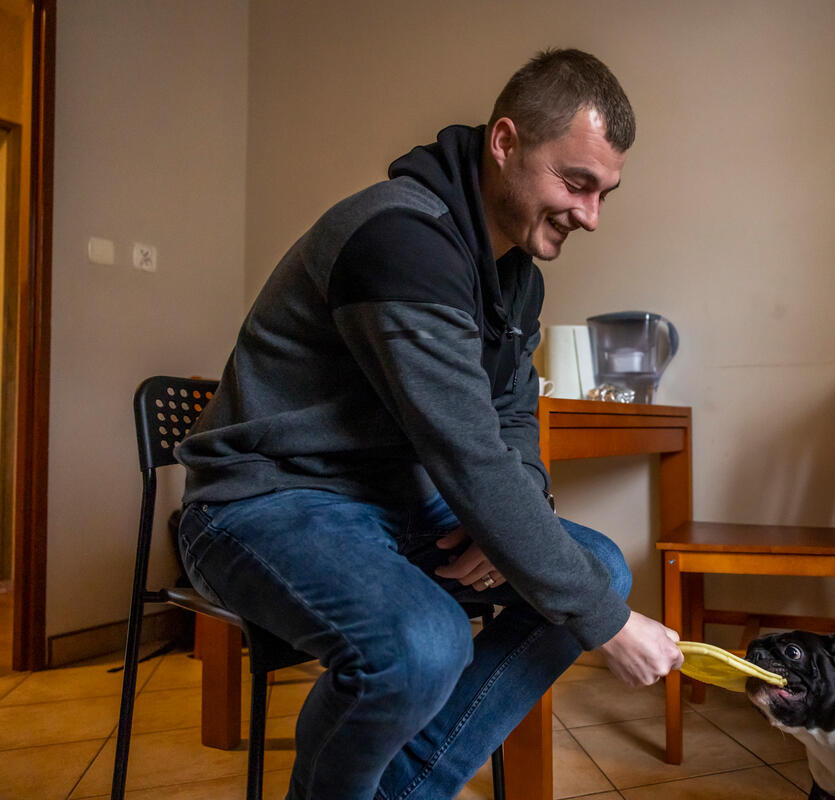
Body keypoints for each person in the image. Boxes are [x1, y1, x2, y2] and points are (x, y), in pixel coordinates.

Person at [174, 48, 684, 800]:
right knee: (422, 645)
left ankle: (398, 793)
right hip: (262, 503)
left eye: (605, 192)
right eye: (576, 183)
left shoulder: (515, 279)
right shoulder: (397, 240)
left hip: (396, 504)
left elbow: (510, 417)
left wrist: (513, 516)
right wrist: (610, 626)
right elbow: (470, 454)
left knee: (594, 566)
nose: (591, 216)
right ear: (505, 143)